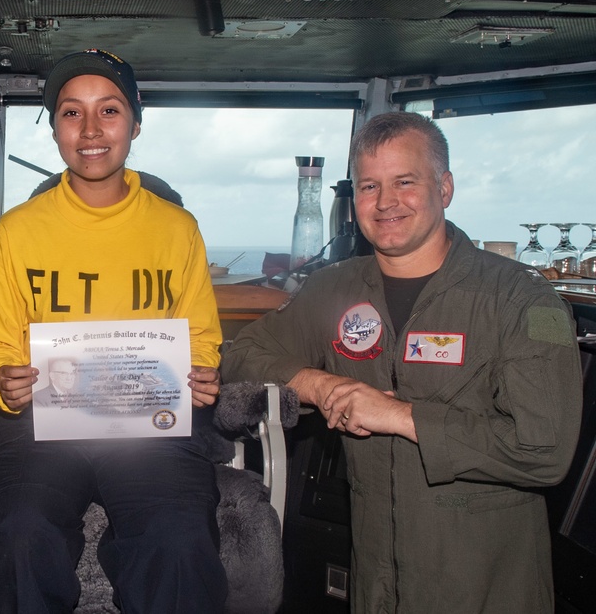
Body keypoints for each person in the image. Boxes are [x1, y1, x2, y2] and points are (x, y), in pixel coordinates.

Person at [222, 111, 583, 613]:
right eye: (370, 186)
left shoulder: (522, 300)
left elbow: (544, 451)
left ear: (445, 187)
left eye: (405, 182)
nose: (386, 202)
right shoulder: (334, 289)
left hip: (485, 585)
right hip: (375, 578)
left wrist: (399, 415)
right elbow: (241, 356)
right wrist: (319, 386)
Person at [0, 48, 228, 612]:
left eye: (109, 111)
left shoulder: (177, 228)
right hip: (39, 425)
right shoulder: (17, 231)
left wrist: (200, 372)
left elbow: (201, 334)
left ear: (135, 121)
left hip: (148, 427)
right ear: (55, 127)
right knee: (20, 536)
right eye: (70, 113)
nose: (90, 130)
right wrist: (0, 381)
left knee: (178, 543)